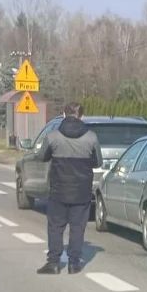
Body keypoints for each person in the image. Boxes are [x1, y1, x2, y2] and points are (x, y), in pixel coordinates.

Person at [37, 102, 101, 275]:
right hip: (82, 191)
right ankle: (74, 263)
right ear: (82, 116)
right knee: (77, 228)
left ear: (64, 115)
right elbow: (98, 162)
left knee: (55, 227)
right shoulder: (91, 137)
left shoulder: (53, 136)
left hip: (58, 190)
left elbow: (42, 157)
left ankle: (53, 263)